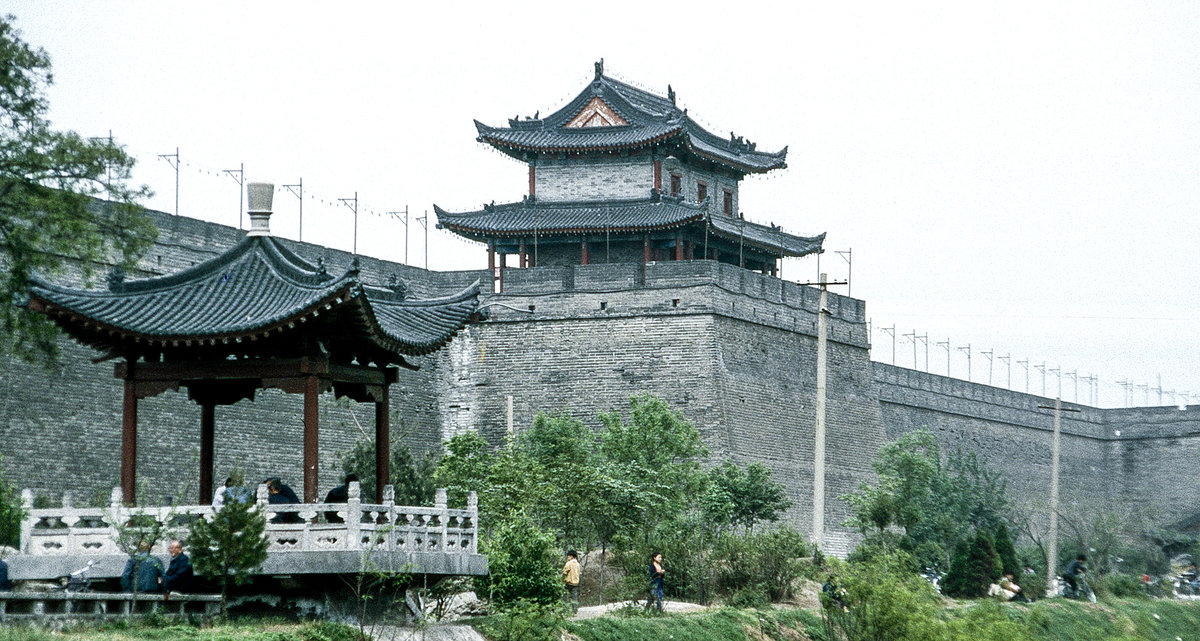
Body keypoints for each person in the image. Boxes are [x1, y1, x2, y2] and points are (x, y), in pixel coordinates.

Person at [562, 550, 581, 614]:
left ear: (572, 556)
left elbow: (564, 572)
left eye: (569, 556)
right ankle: (574, 611)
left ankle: (565, 611)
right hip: (575, 583)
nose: (568, 557)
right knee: (574, 598)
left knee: (565, 597)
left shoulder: (569, 563)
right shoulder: (578, 564)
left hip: (568, 583)